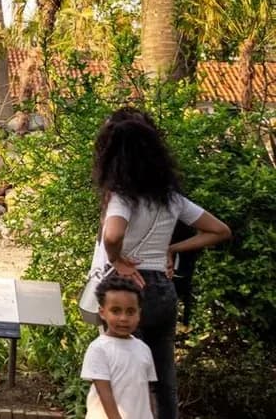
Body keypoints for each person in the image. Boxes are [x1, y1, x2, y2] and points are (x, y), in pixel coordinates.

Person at [92, 110, 230, 419]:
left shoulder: (123, 197)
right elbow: (219, 230)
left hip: (127, 291)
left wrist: (117, 260)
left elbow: (113, 234)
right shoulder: (171, 198)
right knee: (164, 380)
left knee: (126, 376)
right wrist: (172, 247)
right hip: (164, 291)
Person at [82, 275, 157, 419]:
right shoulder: (99, 348)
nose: (123, 318)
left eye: (130, 312)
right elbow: (104, 391)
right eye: (116, 311)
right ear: (102, 313)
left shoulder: (143, 349)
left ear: (139, 314)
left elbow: (147, 391)